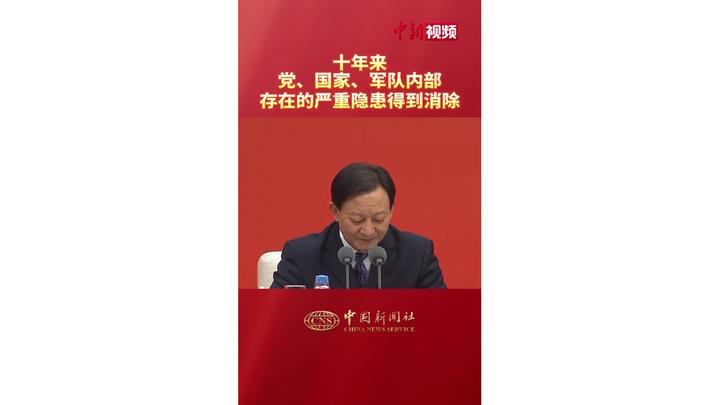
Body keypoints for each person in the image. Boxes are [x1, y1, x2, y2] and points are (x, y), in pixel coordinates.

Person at [270, 162, 447, 289]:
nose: (368, 231)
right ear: (335, 211)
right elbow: (273, 318)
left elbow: (441, 317)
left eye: (378, 219)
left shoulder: (417, 254)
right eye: (357, 220)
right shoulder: (302, 255)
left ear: (392, 209)